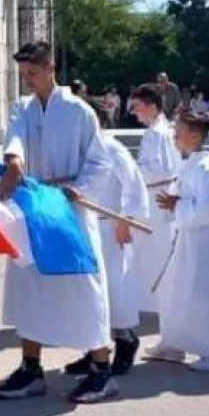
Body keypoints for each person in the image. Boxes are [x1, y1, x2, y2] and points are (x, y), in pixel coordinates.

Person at [0, 40, 117, 404]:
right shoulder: (25, 109)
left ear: (50, 68)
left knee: (82, 287)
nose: (27, 81)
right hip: (36, 208)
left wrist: (80, 189)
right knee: (30, 282)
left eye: (32, 73)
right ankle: (31, 368)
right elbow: (14, 137)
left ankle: (101, 371)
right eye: (23, 75)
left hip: (70, 210)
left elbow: (100, 160)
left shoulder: (80, 111)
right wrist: (14, 161)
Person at [64, 99, 151, 376]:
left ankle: (125, 340)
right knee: (91, 293)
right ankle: (93, 350)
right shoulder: (78, 151)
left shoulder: (112, 148)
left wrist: (128, 219)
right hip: (86, 225)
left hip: (110, 226)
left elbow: (134, 184)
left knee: (115, 288)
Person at [152, 113, 209, 372]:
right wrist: (173, 203)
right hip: (187, 238)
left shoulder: (207, 169)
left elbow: (207, 209)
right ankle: (174, 342)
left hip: (204, 241)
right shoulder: (188, 164)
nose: (174, 135)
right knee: (176, 289)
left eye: (178, 131)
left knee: (205, 293)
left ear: (194, 136)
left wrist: (177, 205)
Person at [127, 83, 182, 317]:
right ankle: (147, 300)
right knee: (146, 250)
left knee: (157, 250)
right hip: (149, 197)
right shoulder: (153, 130)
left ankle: (158, 301)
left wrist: (132, 171)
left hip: (158, 198)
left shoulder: (161, 133)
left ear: (152, 106)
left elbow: (165, 169)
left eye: (137, 107)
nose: (134, 112)